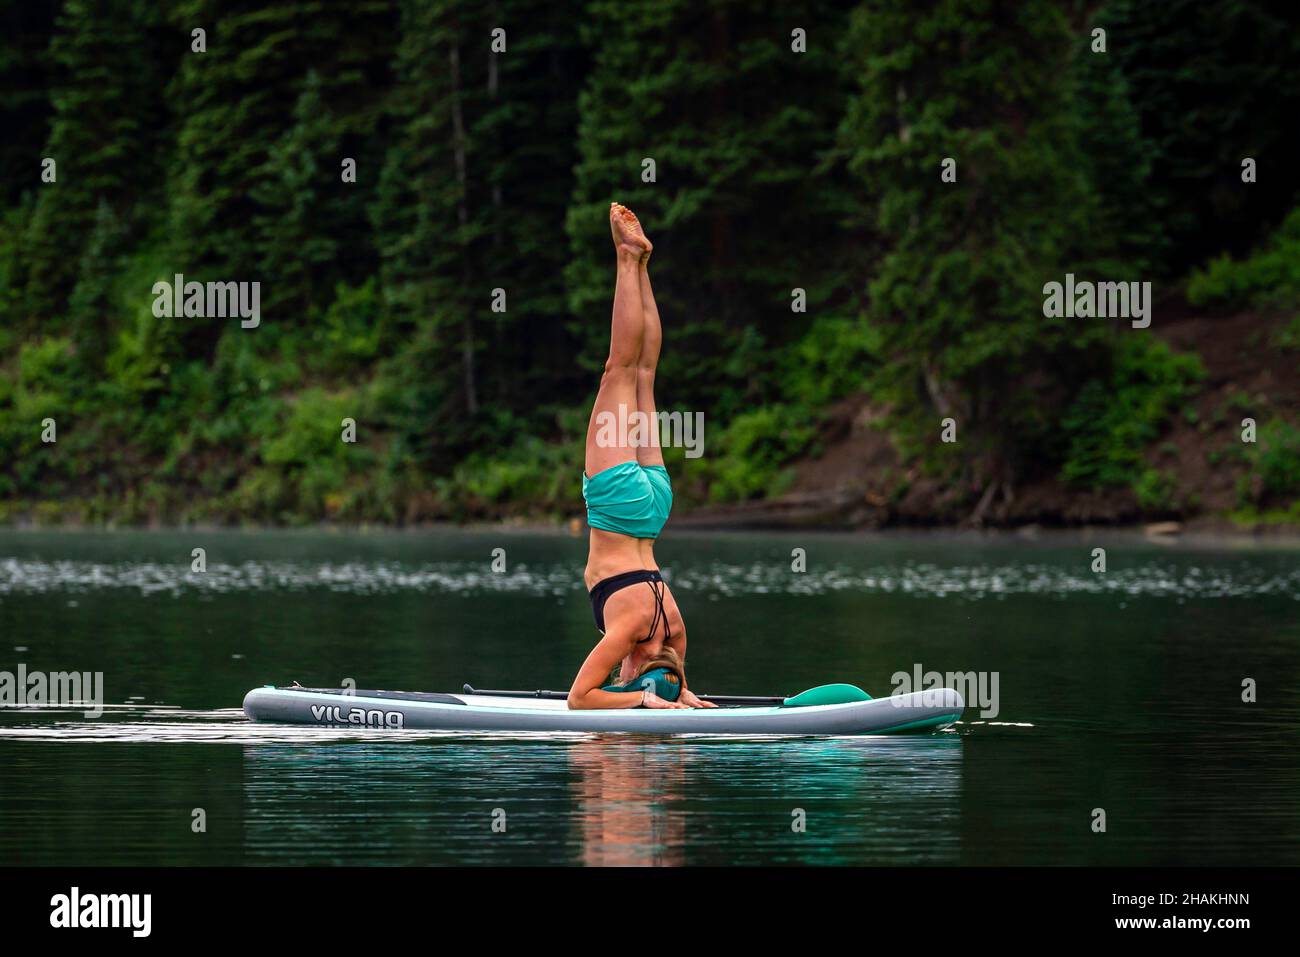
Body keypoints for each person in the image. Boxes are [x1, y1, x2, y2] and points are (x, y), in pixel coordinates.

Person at [566, 204, 716, 711]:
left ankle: (641, 267)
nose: (621, 672)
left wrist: (682, 694)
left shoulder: (674, 630)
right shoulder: (629, 629)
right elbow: (579, 699)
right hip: (620, 505)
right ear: (637, 674)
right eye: (627, 676)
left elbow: (675, 676)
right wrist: (642, 703)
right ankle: (628, 259)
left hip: (654, 511)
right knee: (620, 370)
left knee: (646, 373)